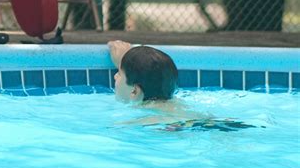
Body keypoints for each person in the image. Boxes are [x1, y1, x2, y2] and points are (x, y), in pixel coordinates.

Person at [108, 41, 258, 131]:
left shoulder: (135, 123)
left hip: (169, 128)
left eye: (119, 73)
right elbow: (152, 73)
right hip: (208, 125)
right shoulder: (177, 104)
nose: (115, 76)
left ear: (134, 91)